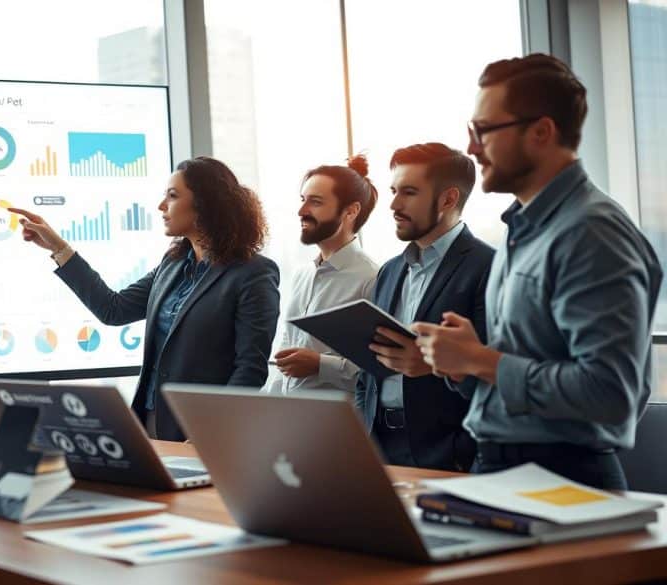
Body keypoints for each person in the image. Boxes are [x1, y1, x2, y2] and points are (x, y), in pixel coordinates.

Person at [413, 54, 662, 489]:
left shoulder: (591, 231)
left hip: (563, 479)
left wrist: (482, 360)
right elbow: (514, 384)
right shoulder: (522, 231)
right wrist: (465, 366)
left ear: (542, 132)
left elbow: (609, 393)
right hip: (501, 470)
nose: (471, 148)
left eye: (484, 131)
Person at [11, 156, 280, 441]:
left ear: (206, 205)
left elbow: (249, 369)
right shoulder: (173, 264)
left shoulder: (253, 273)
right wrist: (58, 246)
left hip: (203, 431)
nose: (161, 207)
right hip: (150, 422)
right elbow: (113, 309)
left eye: (172, 197)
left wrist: (211, 428)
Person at [355, 143, 494, 472]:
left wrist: (434, 366)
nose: (393, 204)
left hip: (449, 454)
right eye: (393, 191)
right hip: (380, 450)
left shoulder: (489, 267)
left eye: (409, 192)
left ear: (448, 199)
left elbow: (497, 376)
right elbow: (368, 373)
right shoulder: (389, 270)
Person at [262, 155, 378, 395]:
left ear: (351, 211)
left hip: (338, 426)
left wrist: (320, 365)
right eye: (303, 200)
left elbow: (381, 368)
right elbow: (287, 353)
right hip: (290, 419)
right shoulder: (302, 274)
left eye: (315, 202)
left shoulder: (372, 278)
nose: (301, 211)